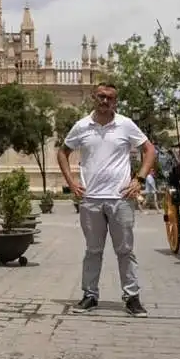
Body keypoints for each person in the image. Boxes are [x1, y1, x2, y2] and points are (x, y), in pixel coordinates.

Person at [56, 82, 156, 317]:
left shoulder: (125, 124)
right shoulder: (82, 126)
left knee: (125, 250)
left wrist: (139, 179)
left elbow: (149, 150)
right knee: (93, 250)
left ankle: (132, 297)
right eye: (101, 96)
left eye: (109, 98)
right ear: (93, 97)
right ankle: (90, 296)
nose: (104, 101)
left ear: (115, 101)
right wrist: (71, 183)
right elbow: (63, 152)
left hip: (120, 199)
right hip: (91, 199)